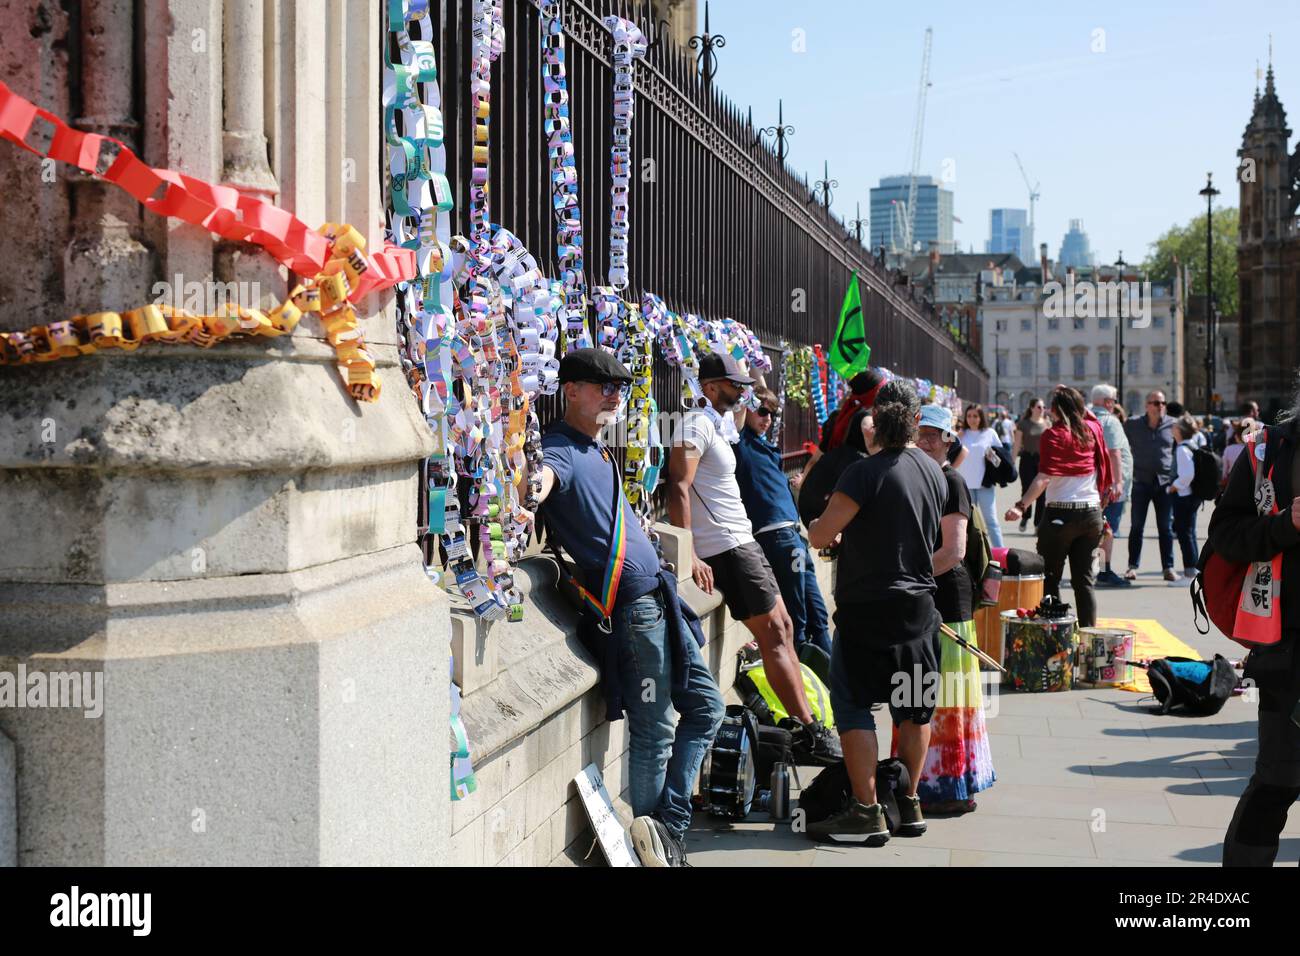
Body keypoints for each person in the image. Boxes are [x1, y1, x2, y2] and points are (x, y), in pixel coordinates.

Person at [537, 348, 725, 867]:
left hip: (659, 595)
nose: (615, 395)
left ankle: (664, 829)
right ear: (571, 390)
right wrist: (532, 484)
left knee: (706, 708)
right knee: (655, 725)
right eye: (603, 386)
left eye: (620, 388)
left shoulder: (596, 448)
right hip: (634, 607)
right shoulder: (560, 449)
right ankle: (659, 847)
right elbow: (543, 479)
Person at [667, 351, 840, 765]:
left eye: (744, 385)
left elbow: (751, 409)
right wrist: (689, 551)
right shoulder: (693, 424)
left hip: (744, 543)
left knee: (782, 627)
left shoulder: (716, 423)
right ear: (709, 386)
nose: (742, 391)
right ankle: (808, 729)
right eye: (734, 384)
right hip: (727, 548)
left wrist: (751, 387)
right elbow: (677, 486)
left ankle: (807, 723)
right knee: (775, 636)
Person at [806, 379, 945, 844]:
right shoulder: (932, 470)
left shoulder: (864, 473)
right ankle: (909, 802)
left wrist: (816, 523)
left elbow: (822, 535)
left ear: (875, 422)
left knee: (853, 705)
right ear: (916, 422)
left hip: (868, 609)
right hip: (920, 611)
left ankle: (867, 811)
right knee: (914, 710)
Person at [1210, 388, 1300, 866]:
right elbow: (1225, 534)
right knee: (1277, 783)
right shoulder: (1269, 451)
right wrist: (1286, 525)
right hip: (1288, 652)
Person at [906, 403, 996, 814]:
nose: (925, 441)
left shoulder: (951, 481)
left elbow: (954, 550)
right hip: (920, 592)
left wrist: (913, 579)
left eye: (933, 435)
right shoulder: (912, 474)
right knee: (917, 691)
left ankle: (952, 784)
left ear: (948, 440)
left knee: (951, 693)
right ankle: (917, 779)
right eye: (919, 433)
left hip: (946, 595)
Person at [733, 385, 832, 655]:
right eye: (761, 411)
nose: (767, 418)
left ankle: (833, 684)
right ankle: (802, 682)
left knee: (818, 614)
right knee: (797, 618)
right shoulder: (739, 442)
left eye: (772, 414)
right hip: (777, 537)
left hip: (794, 537)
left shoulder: (767, 447)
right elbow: (745, 396)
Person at [1005, 385, 1114, 628]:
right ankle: (1088, 640)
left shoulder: (1053, 436)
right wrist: (1072, 393)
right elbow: (1090, 415)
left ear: (1054, 410)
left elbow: (1043, 478)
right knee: (1084, 582)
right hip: (1091, 514)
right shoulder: (1093, 430)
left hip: (1060, 516)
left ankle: (1056, 639)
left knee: (1051, 579)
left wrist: (1021, 506)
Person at [794, 368, 884, 489]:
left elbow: (815, 460)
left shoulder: (838, 417)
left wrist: (802, 483)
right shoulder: (868, 421)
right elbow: (883, 461)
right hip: (858, 490)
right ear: (873, 393)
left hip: (833, 488)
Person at [1123, 390, 1179, 583]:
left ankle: (1168, 568)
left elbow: (1182, 448)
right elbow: (1121, 447)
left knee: (1165, 528)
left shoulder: (1172, 424)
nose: (1160, 406)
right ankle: (1132, 567)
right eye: (1155, 403)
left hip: (1164, 484)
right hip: (1141, 481)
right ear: (1147, 405)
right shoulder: (1133, 424)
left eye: (1163, 403)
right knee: (1137, 527)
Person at [1090, 384, 1134, 589]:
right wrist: (1117, 483)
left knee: (1099, 528)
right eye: (1114, 400)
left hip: (1094, 483)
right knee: (1107, 529)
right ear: (1108, 402)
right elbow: (1114, 452)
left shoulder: (1087, 418)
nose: (1115, 404)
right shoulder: (1110, 421)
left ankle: (1095, 569)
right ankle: (1103, 571)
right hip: (1110, 486)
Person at [957, 404, 1005, 548]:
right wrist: (955, 435)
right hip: (966, 484)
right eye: (969, 416)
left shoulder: (990, 433)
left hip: (985, 484)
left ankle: (1000, 552)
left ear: (981, 417)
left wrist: (992, 456)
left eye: (975, 416)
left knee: (991, 521)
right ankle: (967, 556)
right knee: (966, 523)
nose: (972, 419)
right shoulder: (962, 434)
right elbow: (946, 444)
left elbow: (1000, 459)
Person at [1168, 415, 1202, 585]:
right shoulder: (1191, 445)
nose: (1172, 427)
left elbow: (1187, 474)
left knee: (1184, 534)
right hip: (1192, 496)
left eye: (1175, 426)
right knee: (1189, 532)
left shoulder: (1182, 449)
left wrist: (1173, 486)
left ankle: (1190, 574)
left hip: (1184, 496)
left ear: (1180, 430)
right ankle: (1194, 570)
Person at [1013, 398, 1048, 531]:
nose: (1042, 410)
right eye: (1039, 407)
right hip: (1027, 459)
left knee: (1041, 492)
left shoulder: (1047, 424)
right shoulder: (1023, 424)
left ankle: (1038, 523)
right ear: (1032, 408)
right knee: (1027, 489)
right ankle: (1025, 516)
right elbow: (1017, 444)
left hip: (1042, 460)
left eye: (1043, 407)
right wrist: (1012, 461)